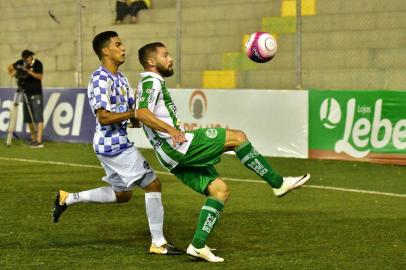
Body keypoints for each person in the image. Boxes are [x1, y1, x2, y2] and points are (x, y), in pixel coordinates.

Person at [135, 42, 311, 262]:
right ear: (151, 61)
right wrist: (170, 129)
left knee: (220, 191)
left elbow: (139, 115)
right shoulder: (152, 81)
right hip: (179, 147)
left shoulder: (146, 83)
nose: (171, 59)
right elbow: (142, 113)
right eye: (165, 55)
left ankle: (198, 245)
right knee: (237, 137)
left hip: (170, 157)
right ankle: (278, 183)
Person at [52, 32, 183, 256]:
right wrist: (135, 113)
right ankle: (158, 243)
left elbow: (132, 115)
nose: (123, 48)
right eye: (118, 44)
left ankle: (68, 198)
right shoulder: (99, 78)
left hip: (113, 143)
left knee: (123, 195)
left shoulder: (121, 79)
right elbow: (104, 117)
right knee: (153, 184)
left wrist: (138, 115)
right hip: (113, 144)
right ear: (105, 51)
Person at [7, 49, 44, 148]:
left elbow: (40, 77)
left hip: (36, 93)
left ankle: (39, 140)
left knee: (38, 117)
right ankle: (33, 139)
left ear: (31, 56)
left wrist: (28, 71)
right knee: (28, 118)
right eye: (25, 58)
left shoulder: (37, 63)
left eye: (28, 58)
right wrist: (13, 73)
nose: (26, 60)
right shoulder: (21, 62)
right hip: (24, 93)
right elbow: (9, 68)